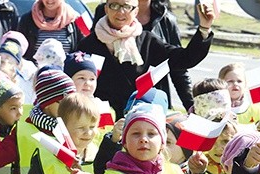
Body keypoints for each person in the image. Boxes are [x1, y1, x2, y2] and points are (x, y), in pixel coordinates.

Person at [77, 0, 215, 118]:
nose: (120, 12)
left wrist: (204, 28)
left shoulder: (147, 40)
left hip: (142, 118)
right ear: (106, 8)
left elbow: (183, 59)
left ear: (135, 11)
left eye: (127, 6)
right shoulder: (88, 44)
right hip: (101, 119)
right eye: (114, 5)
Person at [92, 0, 194, 111]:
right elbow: (91, 59)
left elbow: (177, 65)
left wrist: (190, 106)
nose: (120, 12)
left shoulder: (166, 19)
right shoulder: (107, 10)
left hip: (150, 104)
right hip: (107, 105)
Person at [18, 0, 86, 62]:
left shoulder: (77, 19)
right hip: (35, 73)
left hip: (68, 73)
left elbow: (86, 47)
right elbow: (19, 49)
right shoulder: (26, 19)